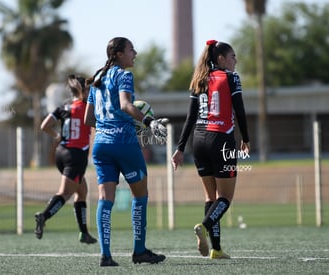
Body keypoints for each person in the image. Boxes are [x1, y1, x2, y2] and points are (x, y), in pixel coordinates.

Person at [84, 37, 167, 267]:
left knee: (105, 199)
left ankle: (105, 255)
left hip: (100, 145)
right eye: (131, 49)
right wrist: (149, 122)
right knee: (140, 195)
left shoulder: (97, 79)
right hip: (124, 144)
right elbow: (126, 106)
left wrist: (107, 128)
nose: (135, 53)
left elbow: (88, 119)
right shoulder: (124, 75)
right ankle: (139, 251)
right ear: (119, 54)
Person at [171, 40, 250, 259]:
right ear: (221, 59)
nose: (236, 60)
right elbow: (240, 110)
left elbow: (190, 118)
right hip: (221, 141)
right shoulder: (231, 78)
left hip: (199, 140)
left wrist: (179, 149)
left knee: (211, 197)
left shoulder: (199, 79)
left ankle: (216, 249)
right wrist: (246, 138)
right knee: (225, 198)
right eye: (233, 56)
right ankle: (204, 227)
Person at [34, 74, 97, 245]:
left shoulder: (64, 106)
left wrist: (56, 136)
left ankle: (84, 233)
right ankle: (44, 216)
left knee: (81, 190)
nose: (91, 90)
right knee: (65, 192)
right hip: (76, 156)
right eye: (88, 88)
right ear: (81, 90)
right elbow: (97, 123)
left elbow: (44, 125)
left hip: (61, 153)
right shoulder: (87, 107)